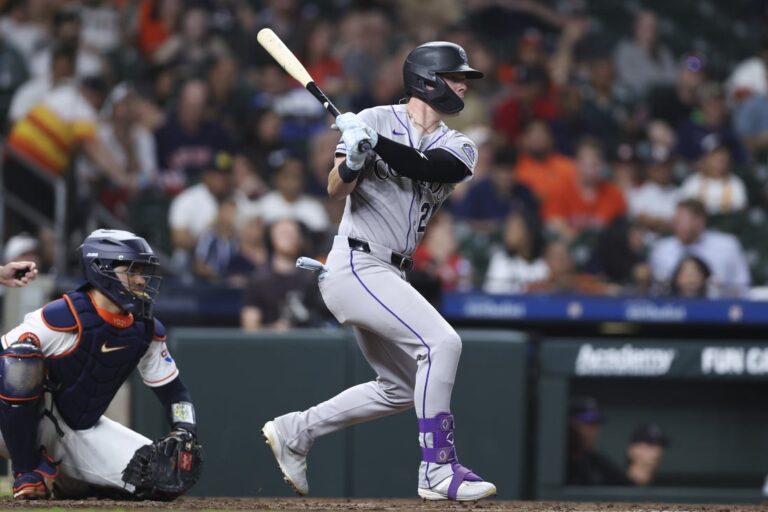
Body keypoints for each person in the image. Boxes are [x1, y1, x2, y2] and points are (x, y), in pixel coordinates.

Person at [262, 41, 496, 501]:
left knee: (402, 387)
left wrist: (375, 145)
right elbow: (335, 188)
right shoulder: (370, 119)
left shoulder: (459, 144)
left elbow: (427, 165)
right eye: (456, 76)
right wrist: (352, 158)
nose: (464, 85)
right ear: (427, 80)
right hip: (356, 263)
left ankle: (295, 432)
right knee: (442, 342)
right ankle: (437, 467)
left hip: (391, 273)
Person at [0, 229, 201, 499]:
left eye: (143, 272)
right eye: (131, 270)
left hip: (77, 431)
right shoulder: (61, 316)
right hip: (17, 425)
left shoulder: (146, 329)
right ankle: (27, 473)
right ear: (101, 269)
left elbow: (175, 393)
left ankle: (72, 482)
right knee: (19, 359)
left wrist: (184, 428)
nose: (141, 280)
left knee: (163, 474)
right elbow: (7, 367)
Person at [649, 198, 750, 297]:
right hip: (673, 309)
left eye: (680, 221)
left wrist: (719, 289)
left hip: (719, 309)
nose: (675, 225)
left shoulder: (727, 245)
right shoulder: (661, 249)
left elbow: (743, 286)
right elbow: (655, 291)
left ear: (699, 221)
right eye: (675, 221)